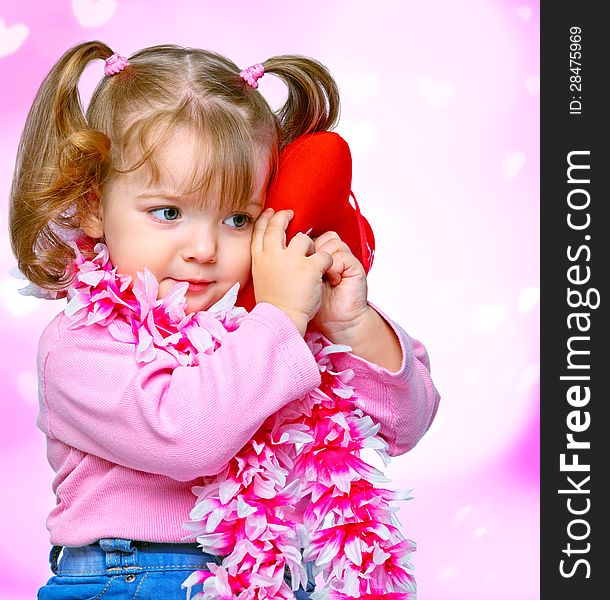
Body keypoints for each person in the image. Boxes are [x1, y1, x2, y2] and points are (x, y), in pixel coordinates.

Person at [9, 40, 440, 600]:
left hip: (273, 579)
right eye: (168, 213)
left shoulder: (266, 331)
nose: (205, 248)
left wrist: (349, 325)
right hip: (135, 578)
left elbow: (407, 423)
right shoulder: (81, 346)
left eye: (238, 218)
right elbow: (187, 435)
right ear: (93, 205)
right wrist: (283, 315)